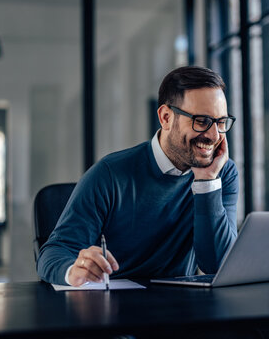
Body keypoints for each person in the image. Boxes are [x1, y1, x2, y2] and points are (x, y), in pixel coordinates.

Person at [37, 65, 239, 286]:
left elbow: (218, 265)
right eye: (202, 121)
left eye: (221, 122)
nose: (214, 135)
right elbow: (53, 252)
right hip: (115, 310)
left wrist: (207, 182)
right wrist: (74, 270)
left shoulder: (221, 173)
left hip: (182, 309)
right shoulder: (109, 174)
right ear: (165, 117)